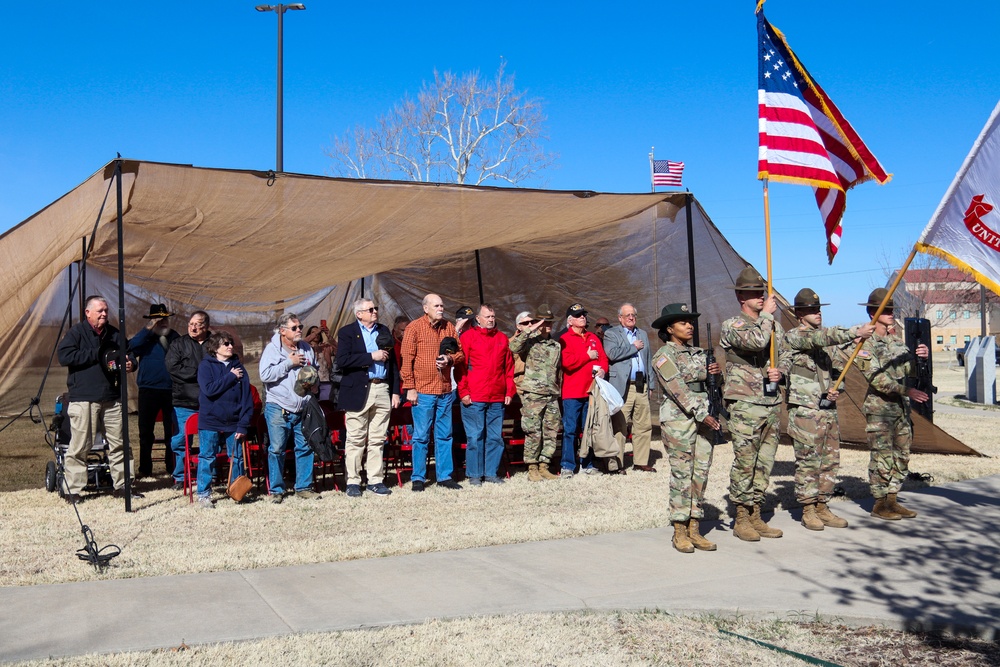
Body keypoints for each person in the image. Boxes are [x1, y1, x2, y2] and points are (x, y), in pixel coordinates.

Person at [785, 289, 874, 530]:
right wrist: (856, 330)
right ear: (800, 313)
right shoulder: (795, 336)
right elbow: (822, 338)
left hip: (827, 408)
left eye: (819, 308)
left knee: (830, 460)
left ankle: (823, 504)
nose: (818, 313)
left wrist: (837, 387)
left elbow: (838, 368)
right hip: (805, 409)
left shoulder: (826, 342)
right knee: (808, 461)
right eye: (812, 309)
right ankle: (808, 508)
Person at [721, 266, 792, 541]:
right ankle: (741, 517)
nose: (760, 297)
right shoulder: (733, 325)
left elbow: (784, 352)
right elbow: (756, 342)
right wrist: (766, 317)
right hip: (745, 402)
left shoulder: (772, 324)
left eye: (761, 292)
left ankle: (755, 513)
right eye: (753, 293)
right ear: (741, 296)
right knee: (745, 461)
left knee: (765, 462)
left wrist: (780, 371)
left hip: (770, 401)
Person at [649, 303, 723, 552]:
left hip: (705, 417)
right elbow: (677, 388)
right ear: (669, 328)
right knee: (682, 474)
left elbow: (710, 385)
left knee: (700, 472)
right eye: (683, 322)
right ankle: (679, 530)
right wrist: (702, 414)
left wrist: (716, 374)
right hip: (680, 419)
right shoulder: (663, 356)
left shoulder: (700, 353)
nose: (689, 326)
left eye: (690, 322)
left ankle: (695, 528)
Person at [854, 288, 930, 521]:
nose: (890, 314)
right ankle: (879, 503)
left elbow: (911, 372)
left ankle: (893, 500)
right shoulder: (865, 345)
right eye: (885, 310)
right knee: (882, 456)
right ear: (872, 313)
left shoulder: (897, 343)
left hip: (901, 409)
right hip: (880, 410)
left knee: (902, 455)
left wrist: (922, 358)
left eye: (891, 310)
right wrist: (907, 390)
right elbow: (876, 379)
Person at [56, 295, 137, 503]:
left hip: (113, 398)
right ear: (88, 312)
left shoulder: (114, 334)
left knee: (120, 443)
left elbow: (129, 353)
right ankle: (72, 490)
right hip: (84, 398)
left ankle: (124, 486)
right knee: (81, 445)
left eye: (106, 311)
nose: (104, 314)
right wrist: (98, 353)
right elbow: (65, 356)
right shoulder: (76, 333)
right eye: (100, 311)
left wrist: (131, 364)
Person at [400, 294, 465, 491]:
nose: (441, 308)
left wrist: (450, 360)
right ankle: (419, 477)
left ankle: (444, 476)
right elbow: (406, 360)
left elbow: (460, 353)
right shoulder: (414, 328)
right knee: (420, 436)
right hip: (422, 391)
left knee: (445, 435)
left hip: (445, 390)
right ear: (425, 308)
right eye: (436, 305)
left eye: (442, 305)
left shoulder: (449, 327)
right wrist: (410, 387)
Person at [336, 298, 400, 497]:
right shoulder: (347, 332)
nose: (375, 311)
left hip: (382, 388)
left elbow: (393, 364)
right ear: (359, 314)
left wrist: (395, 391)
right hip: (358, 390)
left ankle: (375, 480)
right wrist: (371, 356)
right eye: (370, 309)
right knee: (355, 439)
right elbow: (342, 361)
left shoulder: (383, 330)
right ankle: (353, 482)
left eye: (376, 308)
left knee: (378, 439)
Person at [259, 312, 321, 503]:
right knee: (277, 449)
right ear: (282, 330)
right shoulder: (272, 349)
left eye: (300, 327)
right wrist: (289, 363)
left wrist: (314, 383)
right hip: (278, 406)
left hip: (303, 407)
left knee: (305, 447)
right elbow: (265, 375)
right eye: (294, 328)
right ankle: (277, 490)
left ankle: (303, 487)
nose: (299, 330)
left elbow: (315, 369)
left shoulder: (307, 348)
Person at [457, 303, 515, 485]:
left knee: (495, 437)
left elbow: (508, 367)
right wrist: (463, 392)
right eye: (487, 317)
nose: (491, 320)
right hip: (474, 396)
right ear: (478, 319)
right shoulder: (467, 337)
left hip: (497, 397)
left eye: (492, 317)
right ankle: (474, 474)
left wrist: (509, 390)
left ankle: (490, 473)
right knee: (475, 437)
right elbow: (461, 367)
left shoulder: (502, 338)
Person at [195, 331, 253, 509]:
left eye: (231, 343)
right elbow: (210, 389)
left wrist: (243, 424)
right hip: (210, 420)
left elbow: (246, 398)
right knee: (207, 457)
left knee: (236, 458)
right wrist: (230, 376)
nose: (230, 346)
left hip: (234, 422)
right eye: (225, 343)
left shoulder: (239, 367)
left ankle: (236, 491)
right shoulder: (206, 366)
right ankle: (204, 494)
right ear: (214, 348)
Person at [509, 305, 562, 481]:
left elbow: (558, 370)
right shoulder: (529, 342)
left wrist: (557, 389)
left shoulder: (556, 345)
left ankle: (544, 465)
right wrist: (529, 330)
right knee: (533, 432)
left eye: (550, 322)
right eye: (544, 322)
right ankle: (532, 467)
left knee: (550, 432)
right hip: (533, 395)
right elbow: (513, 347)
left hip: (551, 394)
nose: (547, 325)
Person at [128, 304, 180, 478]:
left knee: (171, 431)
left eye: (164, 319)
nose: (162, 322)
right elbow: (130, 348)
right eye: (158, 319)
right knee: (145, 432)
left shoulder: (175, 338)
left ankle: (172, 467)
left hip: (171, 390)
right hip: (148, 390)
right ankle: (145, 469)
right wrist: (148, 328)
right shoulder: (145, 338)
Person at [603, 303, 655, 472]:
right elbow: (612, 354)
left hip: (641, 385)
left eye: (633, 315)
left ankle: (640, 462)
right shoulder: (611, 333)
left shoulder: (643, 334)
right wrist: (633, 347)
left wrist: (651, 383)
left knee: (643, 425)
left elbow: (648, 360)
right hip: (622, 386)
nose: (631, 318)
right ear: (620, 318)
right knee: (620, 425)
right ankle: (616, 463)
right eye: (627, 315)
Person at [559, 303, 608, 477]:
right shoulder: (564, 339)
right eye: (578, 315)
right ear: (570, 320)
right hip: (572, 393)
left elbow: (603, 358)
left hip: (591, 392)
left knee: (588, 430)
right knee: (570, 430)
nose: (583, 318)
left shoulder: (593, 337)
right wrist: (586, 356)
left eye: (584, 315)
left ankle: (587, 464)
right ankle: (567, 465)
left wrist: (603, 370)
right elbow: (567, 363)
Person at [164, 311, 211, 491]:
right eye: (190, 323)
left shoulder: (215, 343)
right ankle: (181, 477)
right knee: (180, 442)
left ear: (206, 326)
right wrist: (202, 372)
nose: (192, 327)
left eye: (197, 324)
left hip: (209, 402)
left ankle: (209, 474)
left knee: (210, 441)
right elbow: (173, 368)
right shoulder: (178, 344)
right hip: (183, 402)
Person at [304, 324, 335, 402]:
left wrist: (329, 336)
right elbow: (301, 342)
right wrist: (316, 333)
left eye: (318, 332)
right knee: (313, 405)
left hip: (325, 380)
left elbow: (339, 350)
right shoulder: (305, 347)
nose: (316, 334)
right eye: (313, 332)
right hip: (310, 382)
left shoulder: (326, 346)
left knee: (325, 404)